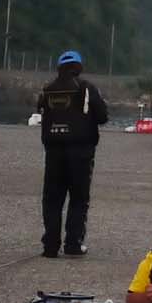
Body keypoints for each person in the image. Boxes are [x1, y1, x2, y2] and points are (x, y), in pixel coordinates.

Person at [35, 49, 109, 258]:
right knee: (78, 198)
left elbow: (40, 110)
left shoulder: (48, 89)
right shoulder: (87, 88)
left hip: (53, 151)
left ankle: (50, 246)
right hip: (81, 152)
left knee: (52, 199)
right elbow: (102, 117)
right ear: (79, 67)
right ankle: (73, 244)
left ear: (59, 67)